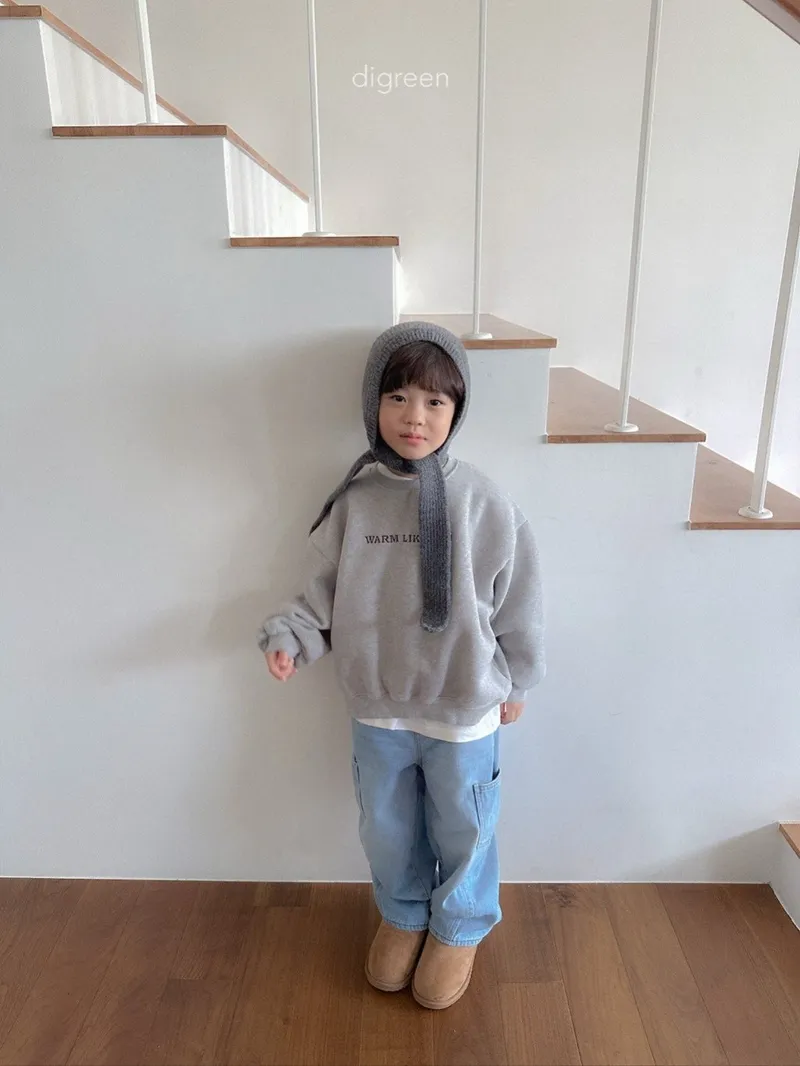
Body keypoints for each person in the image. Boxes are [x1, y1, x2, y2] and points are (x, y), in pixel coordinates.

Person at [258, 320, 545, 1010]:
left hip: (464, 710)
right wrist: (291, 637)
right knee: (386, 828)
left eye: (434, 401)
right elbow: (321, 595)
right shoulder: (354, 503)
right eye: (398, 398)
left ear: (456, 410)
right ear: (374, 404)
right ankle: (404, 915)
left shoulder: (484, 502)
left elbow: (519, 600)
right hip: (378, 708)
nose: (415, 417)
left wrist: (518, 678)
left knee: (465, 826)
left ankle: (459, 927)